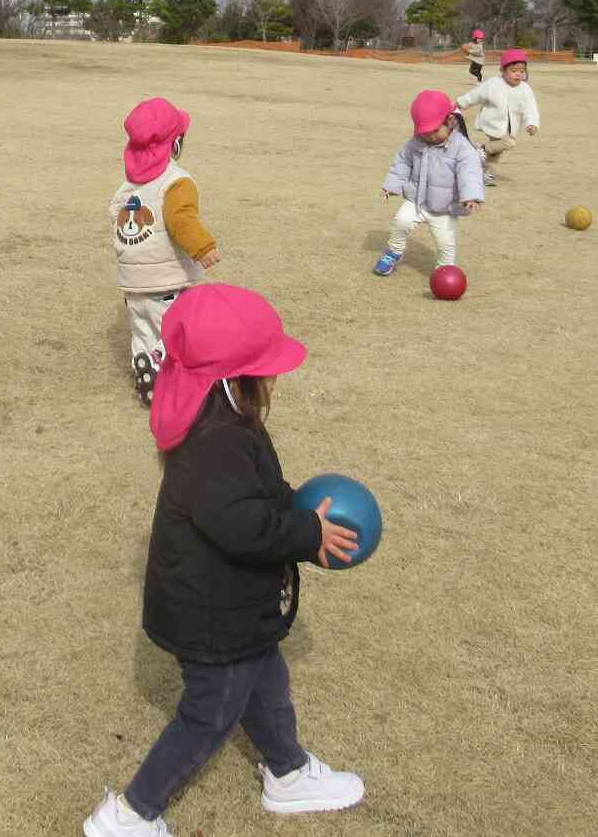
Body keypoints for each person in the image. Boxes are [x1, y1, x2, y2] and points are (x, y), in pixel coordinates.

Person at [84, 284, 365, 837]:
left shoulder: (223, 419)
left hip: (236, 606)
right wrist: (307, 532)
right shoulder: (215, 441)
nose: (275, 378)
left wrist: (295, 506)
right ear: (234, 379)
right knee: (208, 715)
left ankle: (288, 773)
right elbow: (243, 526)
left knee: (266, 683)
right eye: (267, 369)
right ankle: (130, 814)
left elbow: (257, 495)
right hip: (212, 615)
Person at [111, 98, 220, 407]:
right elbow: (181, 219)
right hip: (166, 283)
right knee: (174, 335)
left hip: (133, 284)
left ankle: (145, 376)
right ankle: (163, 369)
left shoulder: (127, 186)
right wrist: (203, 247)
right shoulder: (176, 182)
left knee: (143, 333)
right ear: (175, 143)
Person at [373, 91, 483, 276]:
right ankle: (393, 252)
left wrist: (471, 196)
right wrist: (392, 185)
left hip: (444, 206)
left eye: (434, 131)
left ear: (450, 121)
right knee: (401, 222)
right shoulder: (416, 142)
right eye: (424, 133)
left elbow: (470, 173)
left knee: (445, 242)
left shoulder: (462, 148)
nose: (429, 137)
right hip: (416, 199)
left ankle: (445, 269)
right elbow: (403, 161)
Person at [457, 48, 541, 184]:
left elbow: (531, 108)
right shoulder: (493, 84)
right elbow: (475, 95)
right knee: (508, 143)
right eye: (514, 71)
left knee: (496, 152)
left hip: (509, 127)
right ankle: (480, 150)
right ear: (502, 70)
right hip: (493, 123)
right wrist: (460, 103)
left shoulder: (525, 89)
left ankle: (484, 171)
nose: (518, 74)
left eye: (522, 71)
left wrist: (532, 123)